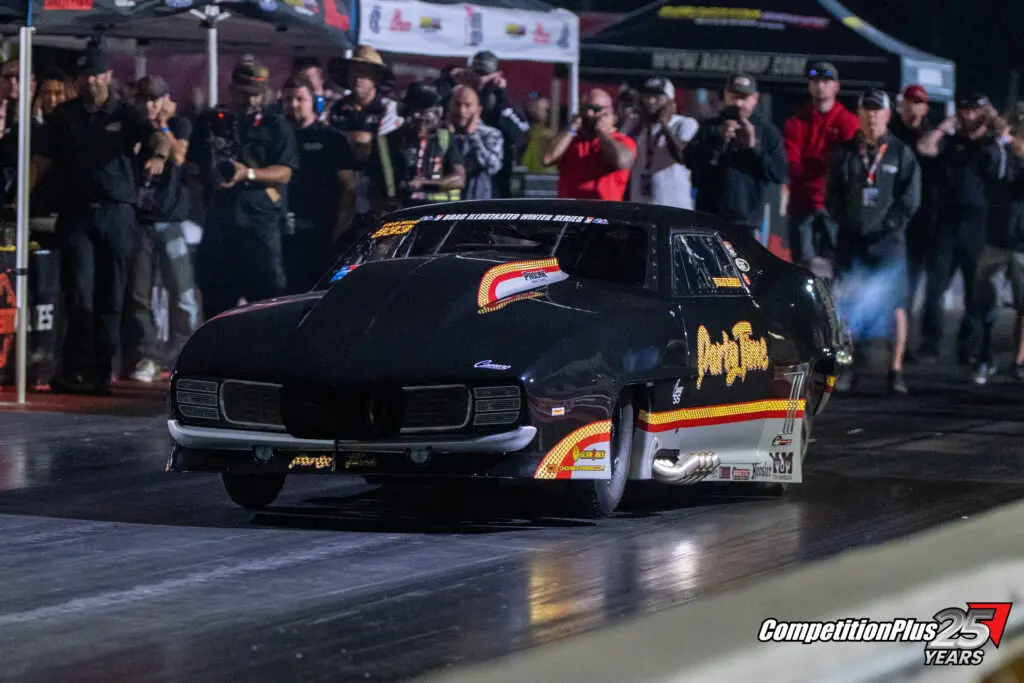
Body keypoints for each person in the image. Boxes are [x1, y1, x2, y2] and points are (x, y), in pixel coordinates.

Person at [28, 47, 171, 394]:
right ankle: (73, 369)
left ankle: (100, 372)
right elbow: (41, 160)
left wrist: (158, 155)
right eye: (83, 76)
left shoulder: (125, 113)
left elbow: (158, 138)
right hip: (77, 212)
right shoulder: (64, 115)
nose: (90, 81)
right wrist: (23, 196)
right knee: (79, 293)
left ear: (108, 76)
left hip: (117, 213)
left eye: (95, 74)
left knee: (111, 295)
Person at [186, 59, 299, 319]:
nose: (251, 100)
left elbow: (285, 172)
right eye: (245, 93)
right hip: (219, 224)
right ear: (232, 89)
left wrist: (247, 173)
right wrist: (205, 181)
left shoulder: (275, 124)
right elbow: (192, 166)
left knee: (268, 304)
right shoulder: (211, 121)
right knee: (216, 303)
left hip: (260, 225)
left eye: (256, 94)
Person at [826, 89, 921, 394]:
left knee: (895, 307)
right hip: (852, 240)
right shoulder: (845, 151)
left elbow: (910, 199)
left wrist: (889, 226)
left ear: (888, 115)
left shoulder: (900, 152)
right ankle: (847, 368)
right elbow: (832, 195)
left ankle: (896, 371)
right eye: (867, 110)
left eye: (878, 110)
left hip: (888, 242)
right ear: (859, 114)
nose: (872, 116)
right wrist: (845, 221)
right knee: (848, 304)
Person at [916, 93, 1004, 365]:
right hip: (947, 223)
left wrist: (993, 117)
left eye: (973, 111)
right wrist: (945, 125)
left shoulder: (991, 145)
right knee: (935, 288)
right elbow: (925, 147)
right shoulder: (952, 142)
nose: (969, 115)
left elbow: (1007, 139)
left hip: (977, 226)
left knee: (974, 292)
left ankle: (968, 347)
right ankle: (931, 344)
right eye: (964, 110)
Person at [122, 75, 197, 383]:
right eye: (145, 99)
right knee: (139, 293)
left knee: (181, 291)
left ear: (166, 99)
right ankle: (148, 355)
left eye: (155, 99)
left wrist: (163, 125)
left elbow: (179, 155)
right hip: (140, 220)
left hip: (170, 220)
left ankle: (186, 353)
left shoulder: (179, 124)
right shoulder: (134, 126)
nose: (150, 105)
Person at [683, 74, 788, 238]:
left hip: (746, 221)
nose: (739, 104)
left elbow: (779, 173)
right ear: (725, 95)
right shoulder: (709, 127)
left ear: (755, 99)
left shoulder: (767, 132)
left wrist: (753, 147)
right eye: (734, 97)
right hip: (708, 217)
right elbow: (688, 160)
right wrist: (717, 141)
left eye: (744, 98)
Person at [281, 75, 358, 291]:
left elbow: (349, 187)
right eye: (288, 99)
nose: (293, 105)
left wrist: (341, 228)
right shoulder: (276, 136)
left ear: (315, 102)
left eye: (300, 99)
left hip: (321, 229)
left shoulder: (332, 138)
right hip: (283, 229)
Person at [782, 62, 860, 266]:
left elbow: (847, 164)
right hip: (802, 200)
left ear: (836, 86)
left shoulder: (849, 122)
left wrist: (823, 172)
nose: (820, 86)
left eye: (826, 81)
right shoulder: (796, 122)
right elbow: (792, 161)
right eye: (816, 81)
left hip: (834, 203)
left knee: (836, 261)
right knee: (801, 263)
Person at [969, 108, 1024, 384]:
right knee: (986, 303)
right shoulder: (997, 152)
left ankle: (1019, 361)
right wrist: (1001, 142)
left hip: (1022, 243)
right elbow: (984, 168)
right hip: (995, 239)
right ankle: (984, 358)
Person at [367, 82, 465, 214]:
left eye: (428, 115)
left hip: (438, 215)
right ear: (402, 111)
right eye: (417, 114)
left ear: (438, 113)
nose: (422, 122)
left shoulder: (445, 139)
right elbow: (373, 186)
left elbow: (459, 179)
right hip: (401, 214)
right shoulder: (386, 143)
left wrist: (424, 183)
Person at [889, 84, 936, 346]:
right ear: (901, 105)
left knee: (912, 287)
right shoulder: (891, 132)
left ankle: (906, 345)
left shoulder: (931, 134)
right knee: (889, 287)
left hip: (921, 223)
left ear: (925, 107)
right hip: (892, 222)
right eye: (909, 102)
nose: (913, 107)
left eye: (918, 103)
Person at [543, 88, 636, 201]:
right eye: (584, 108)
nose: (589, 113)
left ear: (609, 112)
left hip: (603, 210)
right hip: (570, 209)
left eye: (595, 109)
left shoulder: (622, 140)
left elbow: (622, 161)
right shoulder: (571, 139)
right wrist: (572, 127)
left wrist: (601, 132)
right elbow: (546, 159)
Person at [627, 77, 699, 209]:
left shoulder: (684, 124)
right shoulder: (636, 124)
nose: (650, 101)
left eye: (657, 96)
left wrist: (664, 124)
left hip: (673, 207)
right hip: (640, 205)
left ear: (670, 101)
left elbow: (682, 156)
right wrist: (639, 124)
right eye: (647, 96)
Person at [467, 51, 530, 198]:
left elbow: (519, 134)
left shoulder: (506, 103)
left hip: (498, 174)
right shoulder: (461, 99)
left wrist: (501, 97)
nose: (479, 78)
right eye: (476, 73)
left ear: (497, 76)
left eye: (484, 74)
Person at [447, 85, 503, 201]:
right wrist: (449, 136)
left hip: (477, 201)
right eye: (457, 104)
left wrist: (472, 136)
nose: (462, 111)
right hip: (447, 202)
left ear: (478, 110)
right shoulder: (441, 133)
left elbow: (493, 167)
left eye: (467, 106)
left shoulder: (490, 134)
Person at [520, 96, 556, 175]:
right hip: (531, 174)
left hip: (545, 176)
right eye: (534, 107)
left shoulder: (549, 135)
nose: (533, 111)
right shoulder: (531, 131)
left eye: (539, 109)